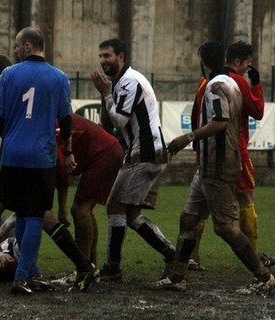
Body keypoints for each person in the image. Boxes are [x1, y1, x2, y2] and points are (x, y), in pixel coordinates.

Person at [0, 27, 98, 294]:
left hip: (13, 156)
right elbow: (66, 120)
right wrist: (67, 151)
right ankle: (25, 276)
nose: (16, 50)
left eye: (18, 46)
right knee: (34, 216)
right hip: (41, 158)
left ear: (29, 46)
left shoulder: (9, 74)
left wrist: (8, 132)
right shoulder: (59, 77)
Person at [157, 41, 274, 295]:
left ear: (203, 62)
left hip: (219, 163)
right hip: (211, 164)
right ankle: (178, 276)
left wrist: (187, 138)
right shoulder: (232, 83)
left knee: (224, 226)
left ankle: (263, 277)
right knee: (188, 218)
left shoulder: (215, 85)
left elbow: (220, 123)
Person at [91, 38, 175, 280]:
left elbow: (120, 121)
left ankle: (114, 267)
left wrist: (107, 94)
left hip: (145, 153)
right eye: (101, 56)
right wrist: (103, 95)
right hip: (144, 152)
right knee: (131, 215)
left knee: (115, 206)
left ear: (121, 57)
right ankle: (172, 254)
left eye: (108, 55)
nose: (103, 60)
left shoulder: (129, 81)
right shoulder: (118, 84)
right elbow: (108, 126)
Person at [189, 40, 264, 269]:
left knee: (198, 207)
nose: (247, 69)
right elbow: (258, 111)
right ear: (237, 62)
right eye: (247, 64)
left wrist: (196, 146)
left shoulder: (204, 83)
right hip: (233, 151)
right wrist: (257, 84)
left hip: (206, 152)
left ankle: (192, 257)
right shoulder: (236, 81)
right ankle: (254, 258)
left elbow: (195, 115)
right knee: (245, 200)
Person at [55, 113, 124, 268]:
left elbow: (61, 170)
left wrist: (61, 209)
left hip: (105, 154)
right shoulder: (53, 117)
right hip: (107, 151)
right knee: (85, 210)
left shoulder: (51, 124)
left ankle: (83, 269)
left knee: (80, 210)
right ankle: (91, 267)